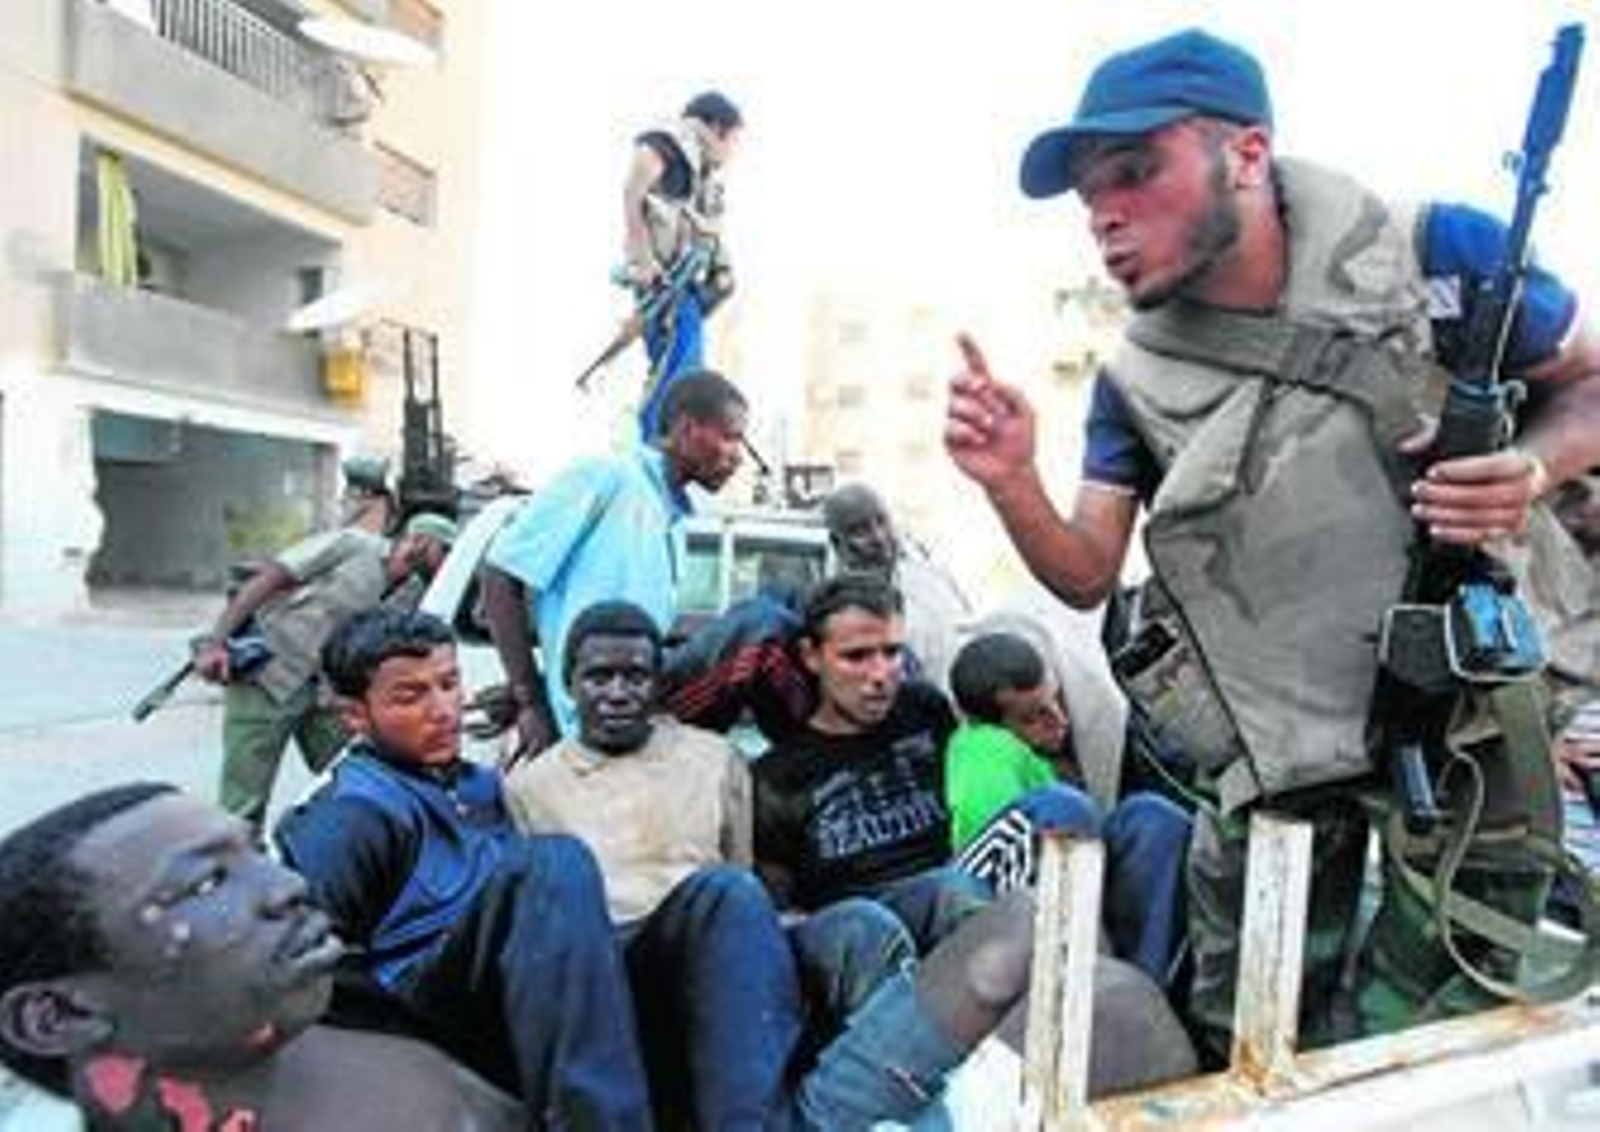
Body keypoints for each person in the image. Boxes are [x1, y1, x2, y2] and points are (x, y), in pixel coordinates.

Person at [944, 27, 1600, 1058]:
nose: (1104, 216)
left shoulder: (1437, 254)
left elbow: (1587, 386)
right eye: (1087, 198)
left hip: (1465, 728)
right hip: (1276, 752)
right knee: (1247, 1038)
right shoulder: (1135, 379)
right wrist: (1010, 480)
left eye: (1133, 172)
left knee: (1435, 1040)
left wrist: (1529, 468)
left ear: (1245, 155)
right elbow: (1081, 571)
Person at [273, 607, 653, 1128]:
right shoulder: (351, 812)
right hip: (429, 1013)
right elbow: (319, 969)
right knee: (553, 861)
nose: (443, 710)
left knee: (721, 900)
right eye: (411, 697)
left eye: (449, 684)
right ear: (355, 716)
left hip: (525, 987)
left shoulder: (479, 783)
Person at [0, 784, 519, 1131]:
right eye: (204, 884)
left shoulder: (352, 1009)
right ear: (57, 1017)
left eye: (258, 854)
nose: (288, 887)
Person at [481, 369, 748, 761]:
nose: (737, 456)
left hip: (626, 733)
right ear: (688, 429)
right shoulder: (608, 475)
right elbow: (501, 572)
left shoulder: (672, 520)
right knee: (762, 627)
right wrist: (529, 699)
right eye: (731, 437)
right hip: (577, 731)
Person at [945, 631, 1191, 984]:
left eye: (1055, 701)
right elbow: (995, 865)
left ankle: (1145, 989)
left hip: (1077, 891)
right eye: (1032, 718)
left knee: (1152, 817)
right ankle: (1071, 989)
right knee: (1066, 809)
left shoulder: (1037, 753)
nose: (1059, 720)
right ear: (987, 723)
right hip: (1005, 919)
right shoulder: (986, 750)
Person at [194, 509, 457, 832]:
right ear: (419, 541)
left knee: (356, 776)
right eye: (443, 551)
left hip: (327, 696)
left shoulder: (415, 592)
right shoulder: (352, 545)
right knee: (244, 800)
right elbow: (271, 577)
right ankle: (234, 871)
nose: (447, 562)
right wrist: (215, 642)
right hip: (269, 678)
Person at [622, 90, 744, 438]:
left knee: (687, 380)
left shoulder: (703, 172)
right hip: (665, 287)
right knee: (676, 381)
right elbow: (633, 189)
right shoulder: (671, 141)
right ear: (718, 128)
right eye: (733, 141)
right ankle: (652, 450)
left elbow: (704, 231)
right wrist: (643, 259)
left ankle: (664, 448)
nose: (733, 153)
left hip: (685, 289)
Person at [822, 482, 972, 689]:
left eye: (882, 521)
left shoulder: (930, 575)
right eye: (860, 530)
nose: (879, 537)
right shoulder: (839, 612)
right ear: (837, 543)